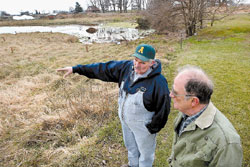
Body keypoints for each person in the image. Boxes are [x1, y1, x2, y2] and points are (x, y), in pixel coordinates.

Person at [57, 44, 171, 167]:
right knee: (131, 148)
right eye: (135, 60)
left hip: (144, 126)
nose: (137, 65)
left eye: (142, 63)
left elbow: (163, 108)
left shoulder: (159, 82)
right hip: (126, 122)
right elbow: (103, 69)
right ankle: (132, 165)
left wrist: (152, 128)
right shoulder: (126, 68)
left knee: (145, 154)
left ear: (151, 63)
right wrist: (76, 69)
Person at [168, 65, 243, 167]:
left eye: (175, 93)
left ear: (194, 101)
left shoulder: (226, 143)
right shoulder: (186, 112)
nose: (170, 95)